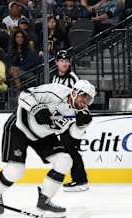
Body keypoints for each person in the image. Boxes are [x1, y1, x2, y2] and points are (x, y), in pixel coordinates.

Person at [0, 80, 96, 218]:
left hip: (44, 135)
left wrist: (81, 126)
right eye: (83, 96)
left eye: (88, 99)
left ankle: (44, 201)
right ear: (74, 92)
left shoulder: (82, 113)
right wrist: (37, 109)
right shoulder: (55, 91)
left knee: (65, 160)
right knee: (15, 171)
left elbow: (73, 137)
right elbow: (24, 95)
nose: (84, 101)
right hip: (19, 127)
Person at [51, 50, 90, 192]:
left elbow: (81, 99)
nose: (64, 63)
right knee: (69, 150)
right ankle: (79, 179)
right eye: (61, 61)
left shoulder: (73, 78)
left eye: (66, 61)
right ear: (56, 62)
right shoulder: (54, 77)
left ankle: (80, 180)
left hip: (72, 122)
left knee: (71, 150)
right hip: (63, 122)